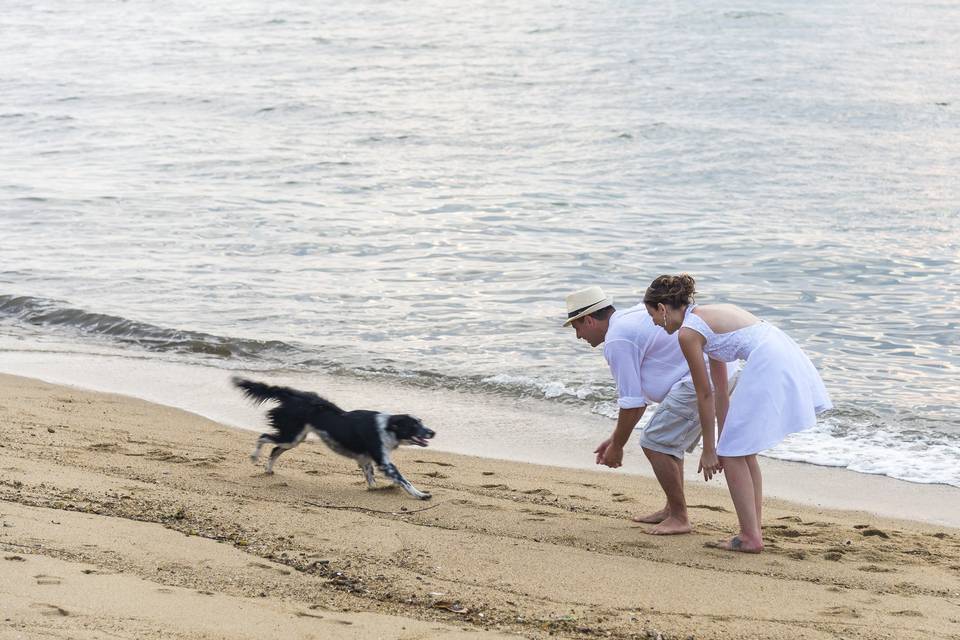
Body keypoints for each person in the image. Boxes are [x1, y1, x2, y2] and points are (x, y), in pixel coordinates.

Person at [642, 274, 832, 553]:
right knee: (741, 450)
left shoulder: (688, 333)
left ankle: (749, 537)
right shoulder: (703, 319)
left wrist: (710, 449)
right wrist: (723, 438)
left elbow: (703, 393)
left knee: (733, 453)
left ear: (662, 308)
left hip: (770, 358)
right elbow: (719, 389)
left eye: (653, 315)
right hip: (781, 350)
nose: (655, 323)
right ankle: (752, 529)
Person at [563, 286, 736, 535]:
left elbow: (632, 402)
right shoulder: (626, 321)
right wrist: (615, 440)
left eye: (577, 327)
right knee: (666, 442)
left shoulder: (617, 339)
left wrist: (617, 447)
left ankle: (679, 516)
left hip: (702, 380)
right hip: (717, 373)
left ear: (589, 319)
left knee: (654, 442)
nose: (578, 336)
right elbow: (638, 401)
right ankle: (672, 509)